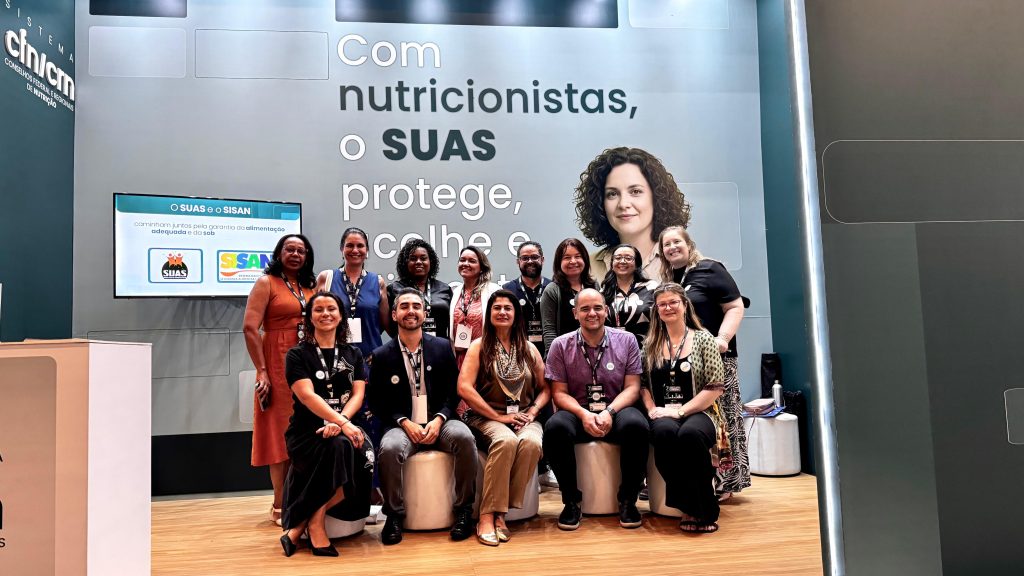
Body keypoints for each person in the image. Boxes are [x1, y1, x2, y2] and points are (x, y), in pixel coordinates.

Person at [369, 288, 477, 545]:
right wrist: (404, 422)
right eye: (404, 306)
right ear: (394, 314)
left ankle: (464, 510)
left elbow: (453, 391)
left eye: (416, 306)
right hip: (402, 424)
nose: (411, 311)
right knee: (390, 448)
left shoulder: (442, 347)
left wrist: (440, 419)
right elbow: (377, 400)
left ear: (425, 313)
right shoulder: (382, 355)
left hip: (440, 421)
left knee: (464, 437)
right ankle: (394, 515)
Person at [542, 288, 649, 531]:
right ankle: (571, 501)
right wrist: (584, 414)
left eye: (598, 308)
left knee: (637, 425)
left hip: (617, 408)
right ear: (575, 313)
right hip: (578, 411)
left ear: (606, 310)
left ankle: (628, 500)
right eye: (585, 309)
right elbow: (559, 393)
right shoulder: (560, 345)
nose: (592, 313)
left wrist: (609, 412)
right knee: (555, 427)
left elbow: (633, 388)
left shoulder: (627, 340)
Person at [657, 226, 750, 498]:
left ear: (689, 244)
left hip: (716, 358)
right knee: (694, 421)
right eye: (666, 245)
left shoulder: (710, 269)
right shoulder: (670, 279)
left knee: (724, 416)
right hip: (683, 361)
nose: (672, 247)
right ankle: (696, 479)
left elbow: (735, 306)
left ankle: (726, 482)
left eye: (676, 242)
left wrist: (723, 338)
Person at [279, 292, 372, 557]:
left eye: (331, 309)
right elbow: (307, 396)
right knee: (338, 447)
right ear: (309, 317)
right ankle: (317, 528)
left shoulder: (354, 353)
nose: (325, 314)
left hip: (345, 427)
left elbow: (358, 395)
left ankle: (299, 527)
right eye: (318, 309)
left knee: (348, 447)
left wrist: (341, 423)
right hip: (307, 431)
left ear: (341, 316)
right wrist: (340, 422)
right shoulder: (297, 355)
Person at [457, 290, 549, 546]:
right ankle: (487, 516)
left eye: (508, 308)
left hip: (523, 417)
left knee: (531, 443)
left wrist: (532, 412)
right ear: (489, 313)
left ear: (516, 314)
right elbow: (464, 388)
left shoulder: (529, 348)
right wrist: (498, 417)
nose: (502, 312)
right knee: (506, 441)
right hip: (485, 417)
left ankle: (501, 513)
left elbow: (546, 388)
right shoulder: (479, 346)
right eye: (497, 308)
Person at [641, 283, 728, 533]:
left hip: (702, 411)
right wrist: (652, 409)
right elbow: (643, 385)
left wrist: (680, 411)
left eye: (673, 302)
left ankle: (703, 509)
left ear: (684, 305)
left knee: (690, 435)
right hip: (663, 412)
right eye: (662, 304)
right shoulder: (650, 344)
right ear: (657, 310)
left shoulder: (704, 339)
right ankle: (691, 505)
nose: (668, 307)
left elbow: (715, 387)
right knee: (664, 433)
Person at [243, 233, 316, 527]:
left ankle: (302, 499)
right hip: (277, 363)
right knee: (279, 434)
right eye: (290, 249)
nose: (296, 254)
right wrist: (262, 370)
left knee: (306, 432)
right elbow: (250, 328)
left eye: (301, 251)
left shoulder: (310, 286)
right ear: (279, 253)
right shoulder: (267, 283)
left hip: (307, 361)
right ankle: (279, 503)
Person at [573, 146, 692, 280]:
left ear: (657, 197)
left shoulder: (689, 264)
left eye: (635, 191)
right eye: (612, 194)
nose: (623, 204)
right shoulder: (585, 268)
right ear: (601, 203)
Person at [316, 227, 388, 359]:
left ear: (367, 250)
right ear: (342, 249)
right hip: (333, 357)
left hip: (370, 358)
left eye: (360, 246)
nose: (355, 250)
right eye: (349, 245)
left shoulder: (378, 282)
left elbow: (384, 323)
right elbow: (313, 318)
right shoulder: (326, 278)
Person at [386, 238, 454, 340]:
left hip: (440, 346)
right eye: (413, 258)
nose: (418, 262)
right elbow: (388, 325)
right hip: (406, 346)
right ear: (405, 263)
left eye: (423, 258)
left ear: (430, 261)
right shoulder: (394, 289)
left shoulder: (444, 289)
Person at [539, 238, 598, 354]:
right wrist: (554, 358)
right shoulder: (552, 290)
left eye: (578, 256)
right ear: (559, 262)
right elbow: (549, 330)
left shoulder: (594, 286)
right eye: (567, 257)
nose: (573, 261)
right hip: (565, 355)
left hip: (594, 352)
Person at [450, 246, 500, 369]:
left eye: (472, 261)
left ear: (482, 267)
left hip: (485, 357)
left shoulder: (493, 291)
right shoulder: (455, 292)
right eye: (462, 260)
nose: (465, 264)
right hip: (459, 358)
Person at [600, 243, 658, 348]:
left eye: (628, 258)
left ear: (637, 264)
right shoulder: (603, 292)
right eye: (618, 258)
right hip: (612, 350)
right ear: (612, 263)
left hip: (646, 350)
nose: (622, 261)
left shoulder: (651, 288)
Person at [501, 241, 551, 358]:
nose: (530, 261)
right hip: (517, 354)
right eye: (525, 258)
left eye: (534, 257)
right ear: (518, 262)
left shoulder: (553, 288)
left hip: (549, 353)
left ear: (542, 259)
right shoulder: (508, 289)